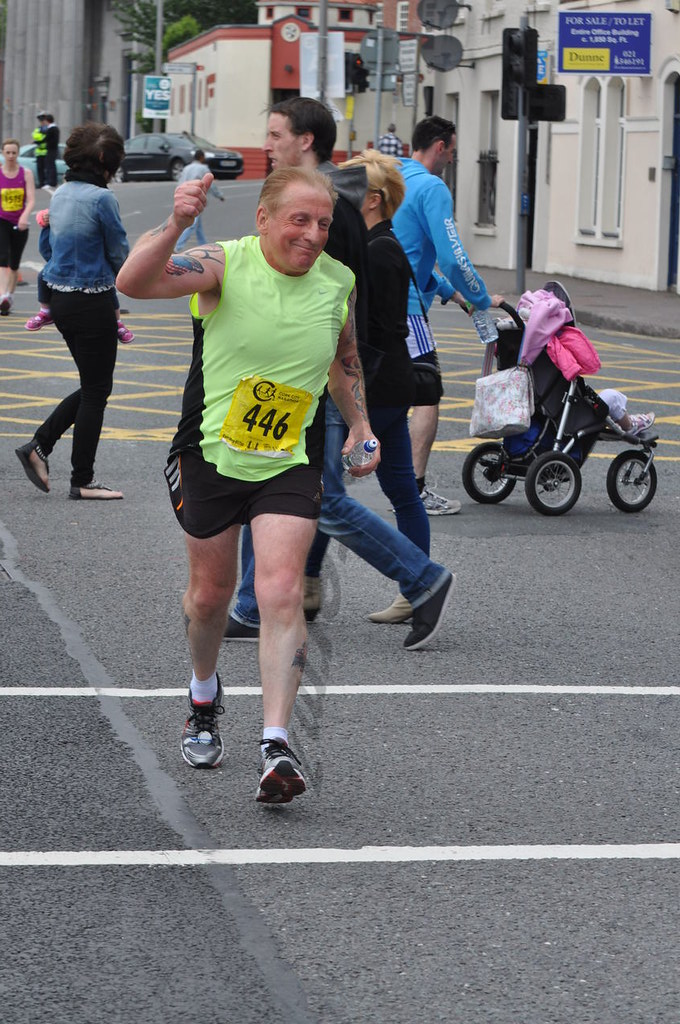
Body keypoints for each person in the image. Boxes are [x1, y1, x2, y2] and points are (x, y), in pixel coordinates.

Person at [116, 166, 379, 802]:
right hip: (210, 453)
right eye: (299, 220)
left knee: (282, 588)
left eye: (322, 224)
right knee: (210, 596)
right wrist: (178, 221)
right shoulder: (223, 264)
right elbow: (134, 281)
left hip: (289, 458)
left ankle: (276, 743)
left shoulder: (337, 281)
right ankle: (203, 695)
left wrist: (360, 424)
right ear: (263, 218)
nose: (313, 235)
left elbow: (342, 358)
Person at [226, 98, 454, 644]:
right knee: (265, 477)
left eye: (277, 134)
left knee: (319, 496)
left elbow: (339, 306)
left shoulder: (331, 210)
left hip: (317, 374)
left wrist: (349, 398)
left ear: (305, 141)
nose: (267, 143)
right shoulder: (316, 201)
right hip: (291, 371)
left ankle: (422, 577)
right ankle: (251, 604)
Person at [392, 116, 504, 515]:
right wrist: (481, 295)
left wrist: (455, 296)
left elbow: (409, 252)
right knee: (427, 391)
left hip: (368, 298)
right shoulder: (432, 187)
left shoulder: (396, 177)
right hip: (401, 307)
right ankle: (414, 490)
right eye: (452, 151)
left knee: (381, 392)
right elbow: (451, 256)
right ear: (439, 147)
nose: (452, 159)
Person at [15, 123, 129, 501]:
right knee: (97, 390)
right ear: (103, 161)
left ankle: (39, 446)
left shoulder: (61, 193)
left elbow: (49, 253)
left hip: (61, 302)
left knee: (93, 385)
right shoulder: (102, 199)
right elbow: (118, 254)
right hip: (93, 300)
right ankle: (82, 479)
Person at [338, 148, 428, 624]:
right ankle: (417, 590)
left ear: (372, 199)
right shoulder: (384, 245)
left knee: (326, 488)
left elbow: (366, 326)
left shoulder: (377, 250)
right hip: (392, 378)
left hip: (381, 383)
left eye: (348, 192)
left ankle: (419, 583)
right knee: (400, 489)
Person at [25, 208, 134, 342]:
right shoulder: (62, 207)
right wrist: (43, 218)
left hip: (92, 262)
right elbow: (45, 223)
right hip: (65, 262)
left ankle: (117, 322)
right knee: (43, 275)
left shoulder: (93, 213)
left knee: (107, 282)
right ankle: (45, 312)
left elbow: (114, 242)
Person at [0, 138, 35, 316]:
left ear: (18, 153)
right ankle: (2, 296)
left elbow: (31, 199)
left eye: (14, 152)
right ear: (3, 153)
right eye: (8, 153)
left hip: (20, 223)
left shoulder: (26, 173)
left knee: (14, 263)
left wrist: (24, 216)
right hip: (2, 220)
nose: (11, 156)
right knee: (2, 258)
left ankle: (9, 295)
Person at [174, 149, 224, 251]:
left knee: (198, 227)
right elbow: (211, 185)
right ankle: (178, 247)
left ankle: (203, 245)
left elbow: (180, 182)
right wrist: (219, 195)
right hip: (196, 199)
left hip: (185, 196)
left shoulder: (187, 168)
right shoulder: (203, 168)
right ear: (201, 157)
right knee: (192, 225)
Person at [41, 112, 60, 190]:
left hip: (51, 149)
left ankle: (51, 182)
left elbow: (46, 139)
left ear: (47, 121)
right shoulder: (55, 128)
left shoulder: (52, 128)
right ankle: (53, 182)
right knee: (52, 166)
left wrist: (36, 142)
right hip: (54, 149)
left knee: (50, 166)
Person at [32, 117, 48, 189]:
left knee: (46, 169)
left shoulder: (48, 129)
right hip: (39, 152)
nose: (42, 122)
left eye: (43, 121)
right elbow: (34, 135)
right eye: (41, 121)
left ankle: (46, 183)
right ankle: (41, 183)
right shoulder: (38, 129)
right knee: (39, 169)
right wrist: (41, 137)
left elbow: (44, 138)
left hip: (45, 152)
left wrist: (40, 137)